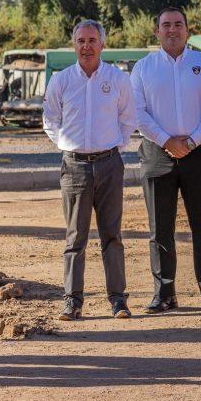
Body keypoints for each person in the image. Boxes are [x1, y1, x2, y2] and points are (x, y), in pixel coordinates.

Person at [130, 7, 201, 314]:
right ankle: (164, 294)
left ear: (188, 30)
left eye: (178, 24)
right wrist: (166, 140)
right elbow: (137, 112)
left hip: (197, 152)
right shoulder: (143, 68)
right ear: (157, 31)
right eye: (166, 25)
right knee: (160, 229)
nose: (172, 29)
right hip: (156, 153)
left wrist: (193, 140)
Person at [43, 19, 137, 320]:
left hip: (110, 164)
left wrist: (113, 147)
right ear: (74, 45)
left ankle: (118, 300)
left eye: (92, 40)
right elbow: (50, 120)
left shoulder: (118, 80)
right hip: (75, 168)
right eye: (81, 41)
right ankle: (72, 300)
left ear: (102, 44)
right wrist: (68, 145)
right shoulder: (61, 80)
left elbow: (127, 119)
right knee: (75, 238)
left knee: (112, 235)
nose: (86, 46)